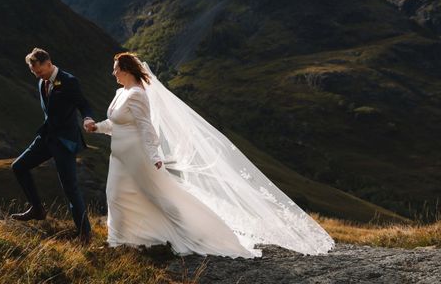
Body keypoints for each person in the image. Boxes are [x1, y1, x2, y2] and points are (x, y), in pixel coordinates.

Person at [85, 52, 334, 257]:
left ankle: (191, 232)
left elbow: (146, 128)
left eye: (116, 68)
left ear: (127, 69)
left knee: (157, 196)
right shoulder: (121, 93)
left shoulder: (138, 95)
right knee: (115, 195)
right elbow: (116, 122)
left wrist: (153, 156)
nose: (113, 73)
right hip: (118, 157)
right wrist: (97, 127)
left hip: (137, 157)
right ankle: (117, 241)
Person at [11, 47, 95, 243]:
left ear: (48, 63)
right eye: (34, 73)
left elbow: (83, 104)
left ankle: (85, 234)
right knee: (18, 167)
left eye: (39, 71)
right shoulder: (42, 82)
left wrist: (88, 118)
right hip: (47, 138)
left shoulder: (69, 81)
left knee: (70, 188)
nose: (37, 75)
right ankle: (37, 209)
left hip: (65, 141)